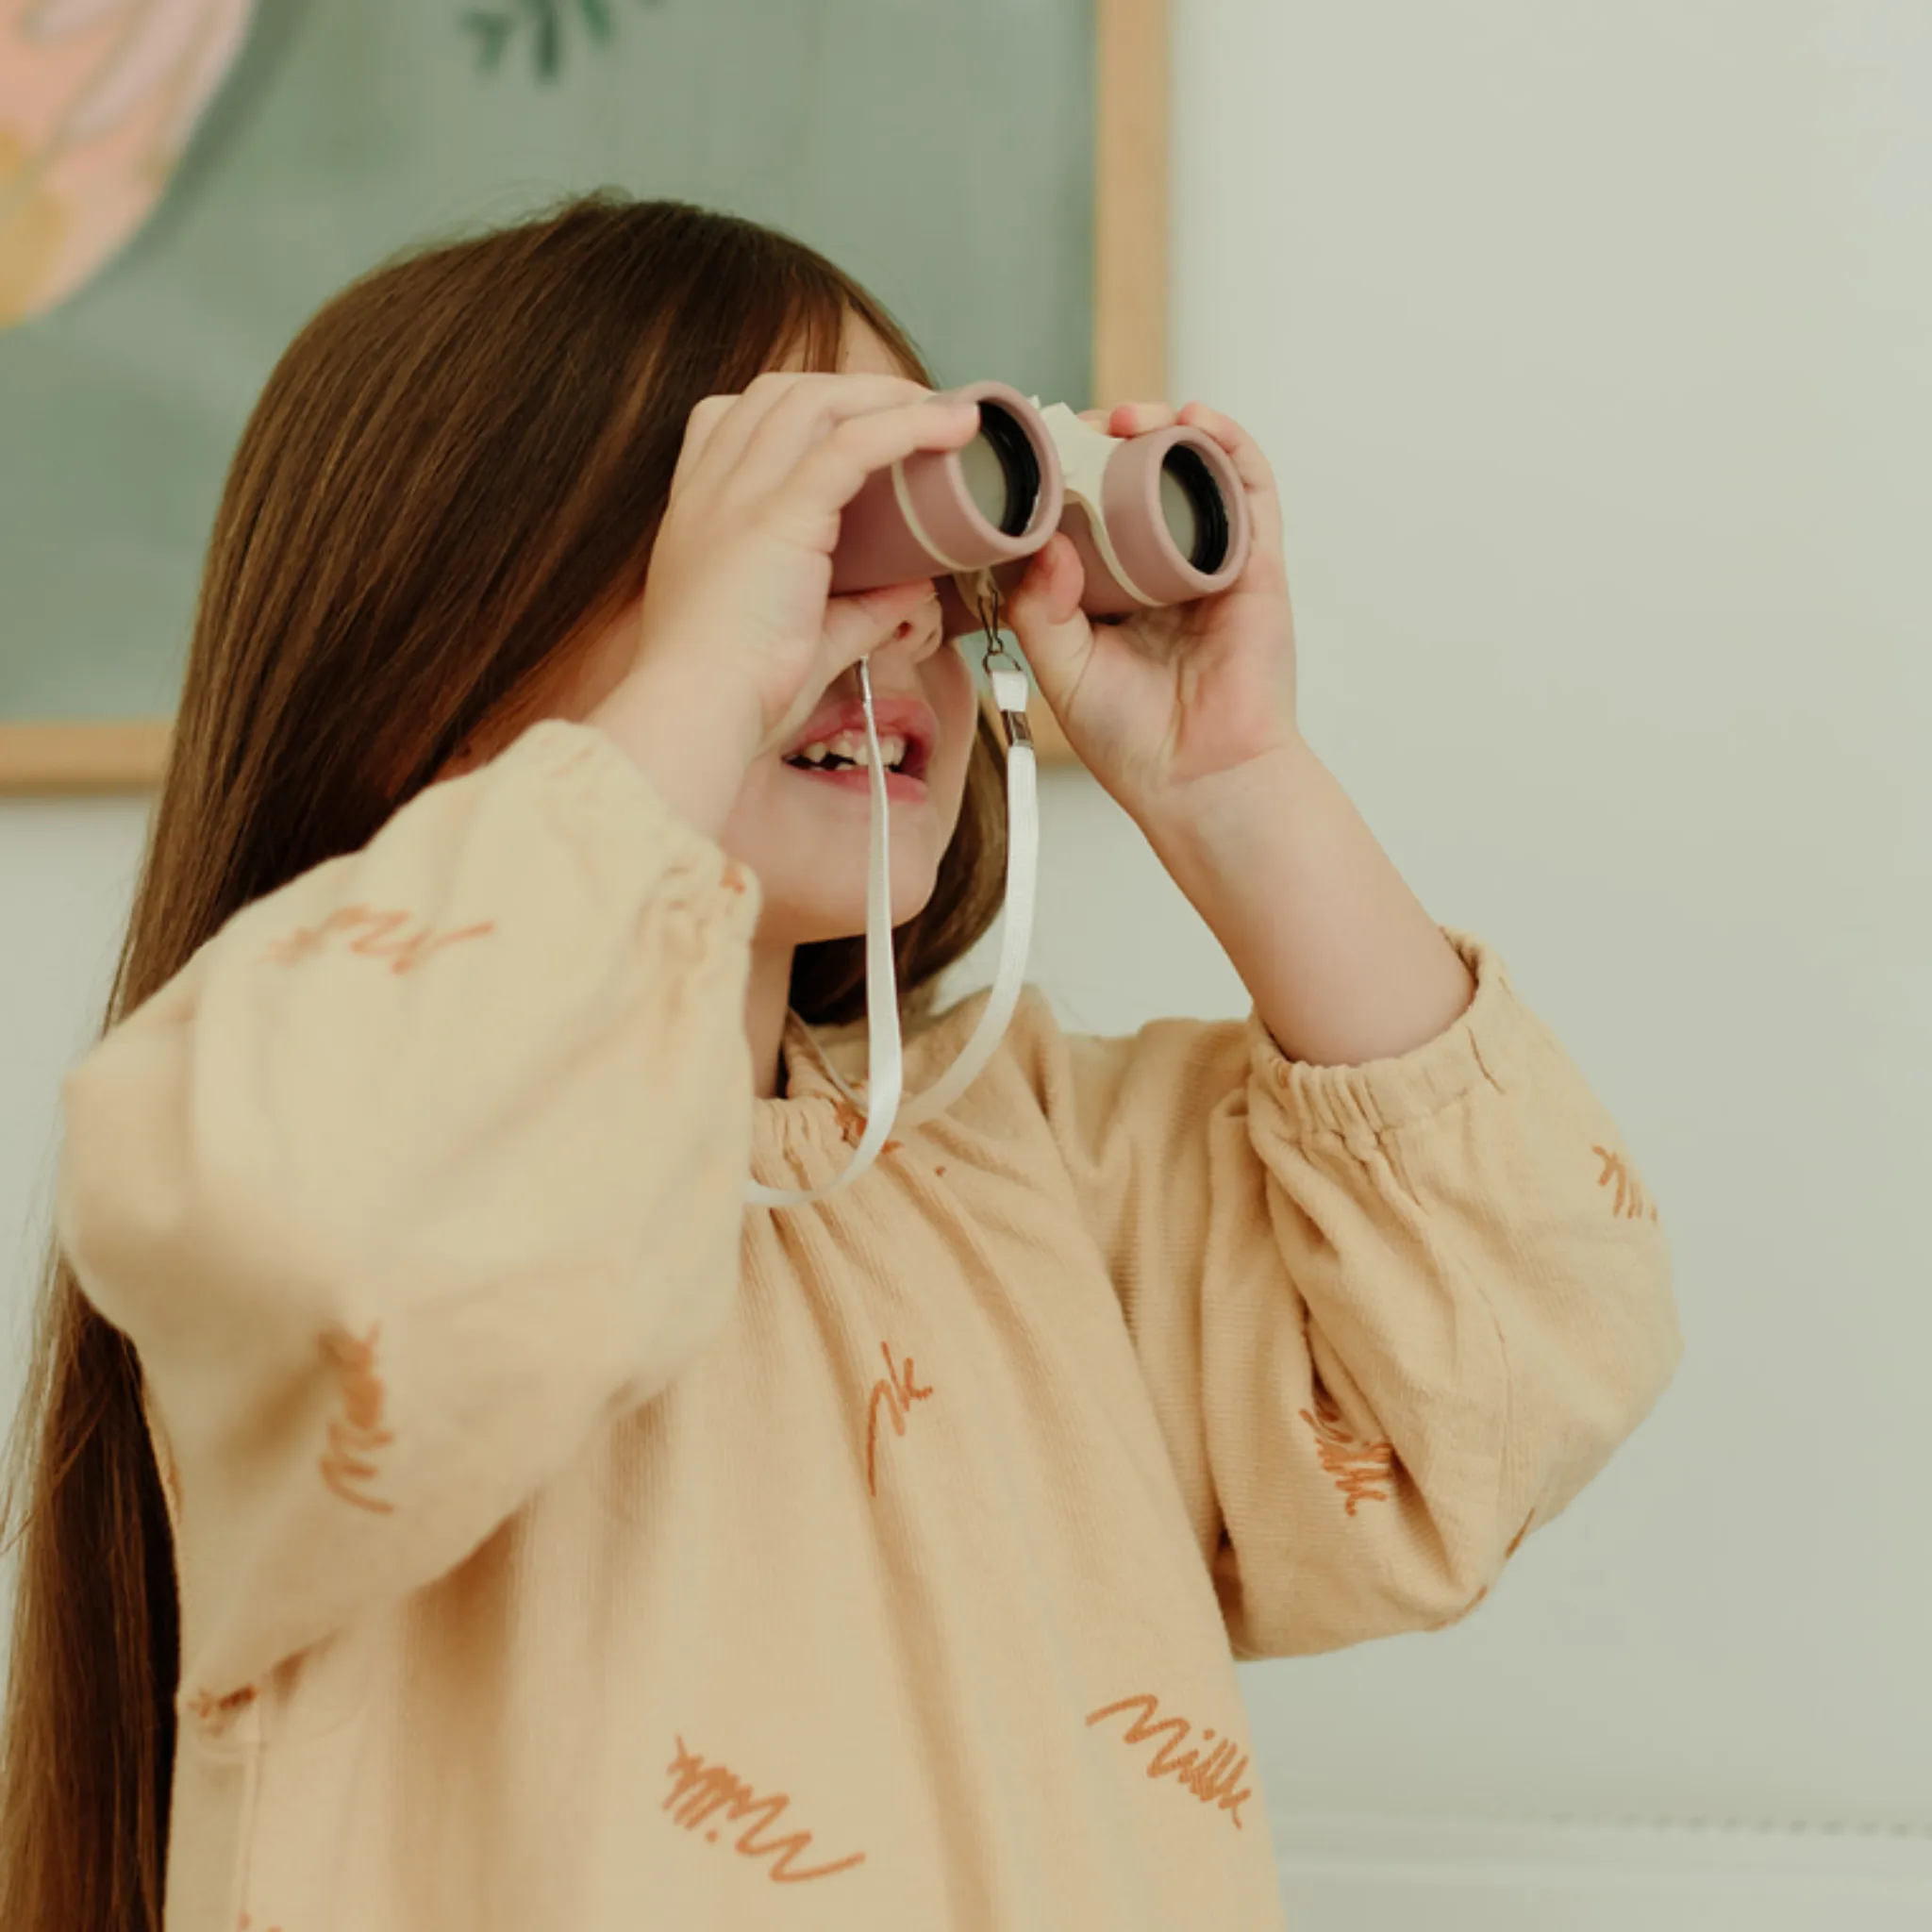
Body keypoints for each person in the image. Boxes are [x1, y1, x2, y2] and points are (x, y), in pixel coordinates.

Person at [0, 193, 1681, 1932]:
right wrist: (708, 679)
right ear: (439, 670)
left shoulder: (1027, 1158)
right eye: (799, 546)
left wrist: (1236, 784)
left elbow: (1512, 1363)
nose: (889, 623)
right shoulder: (331, 1111)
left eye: (925, 555)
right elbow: (329, 1214)